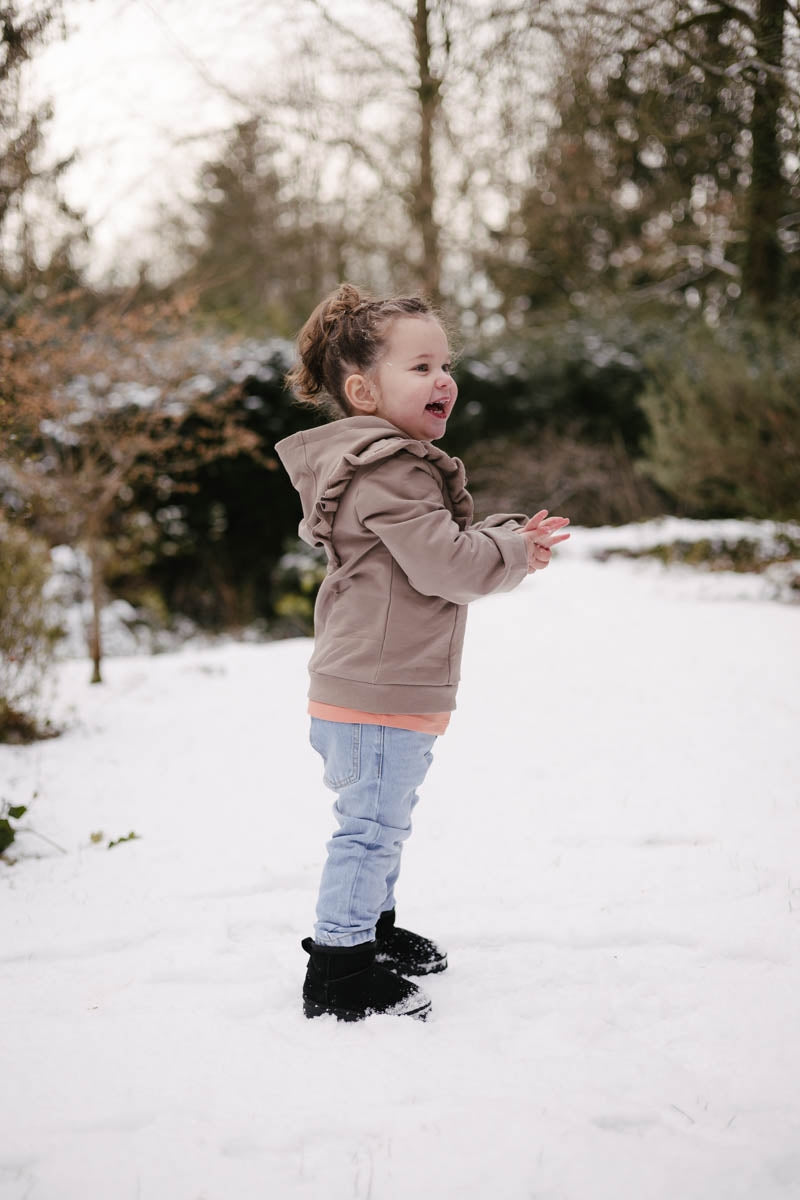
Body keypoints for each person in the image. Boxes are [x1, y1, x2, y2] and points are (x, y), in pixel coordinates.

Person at [275, 283, 570, 1022]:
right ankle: (340, 969)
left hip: (379, 686)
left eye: (446, 363)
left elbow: (433, 546)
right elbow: (445, 566)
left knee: (383, 819)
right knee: (370, 828)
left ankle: (369, 929)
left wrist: (507, 538)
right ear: (362, 389)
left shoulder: (383, 468)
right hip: (377, 689)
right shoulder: (389, 469)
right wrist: (506, 551)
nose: (443, 379)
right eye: (421, 367)